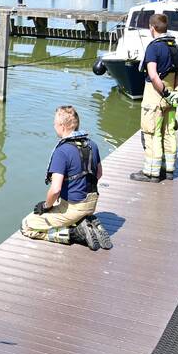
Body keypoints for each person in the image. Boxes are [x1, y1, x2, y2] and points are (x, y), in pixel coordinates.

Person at [20, 106, 111, 250]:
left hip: (72, 207)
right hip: (91, 203)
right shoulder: (92, 144)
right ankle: (84, 220)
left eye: (55, 123)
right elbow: (99, 174)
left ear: (62, 126)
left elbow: (55, 189)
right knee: (69, 211)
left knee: (27, 225)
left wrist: (45, 206)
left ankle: (75, 233)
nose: (53, 126)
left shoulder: (62, 152)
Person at [130, 13, 178, 183]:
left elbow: (153, 75)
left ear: (152, 28)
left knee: (152, 133)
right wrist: (174, 92)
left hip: (155, 96)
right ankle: (168, 170)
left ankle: (151, 172)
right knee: (169, 132)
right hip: (171, 95)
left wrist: (164, 93)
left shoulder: (153, 47)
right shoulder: (175, 46)